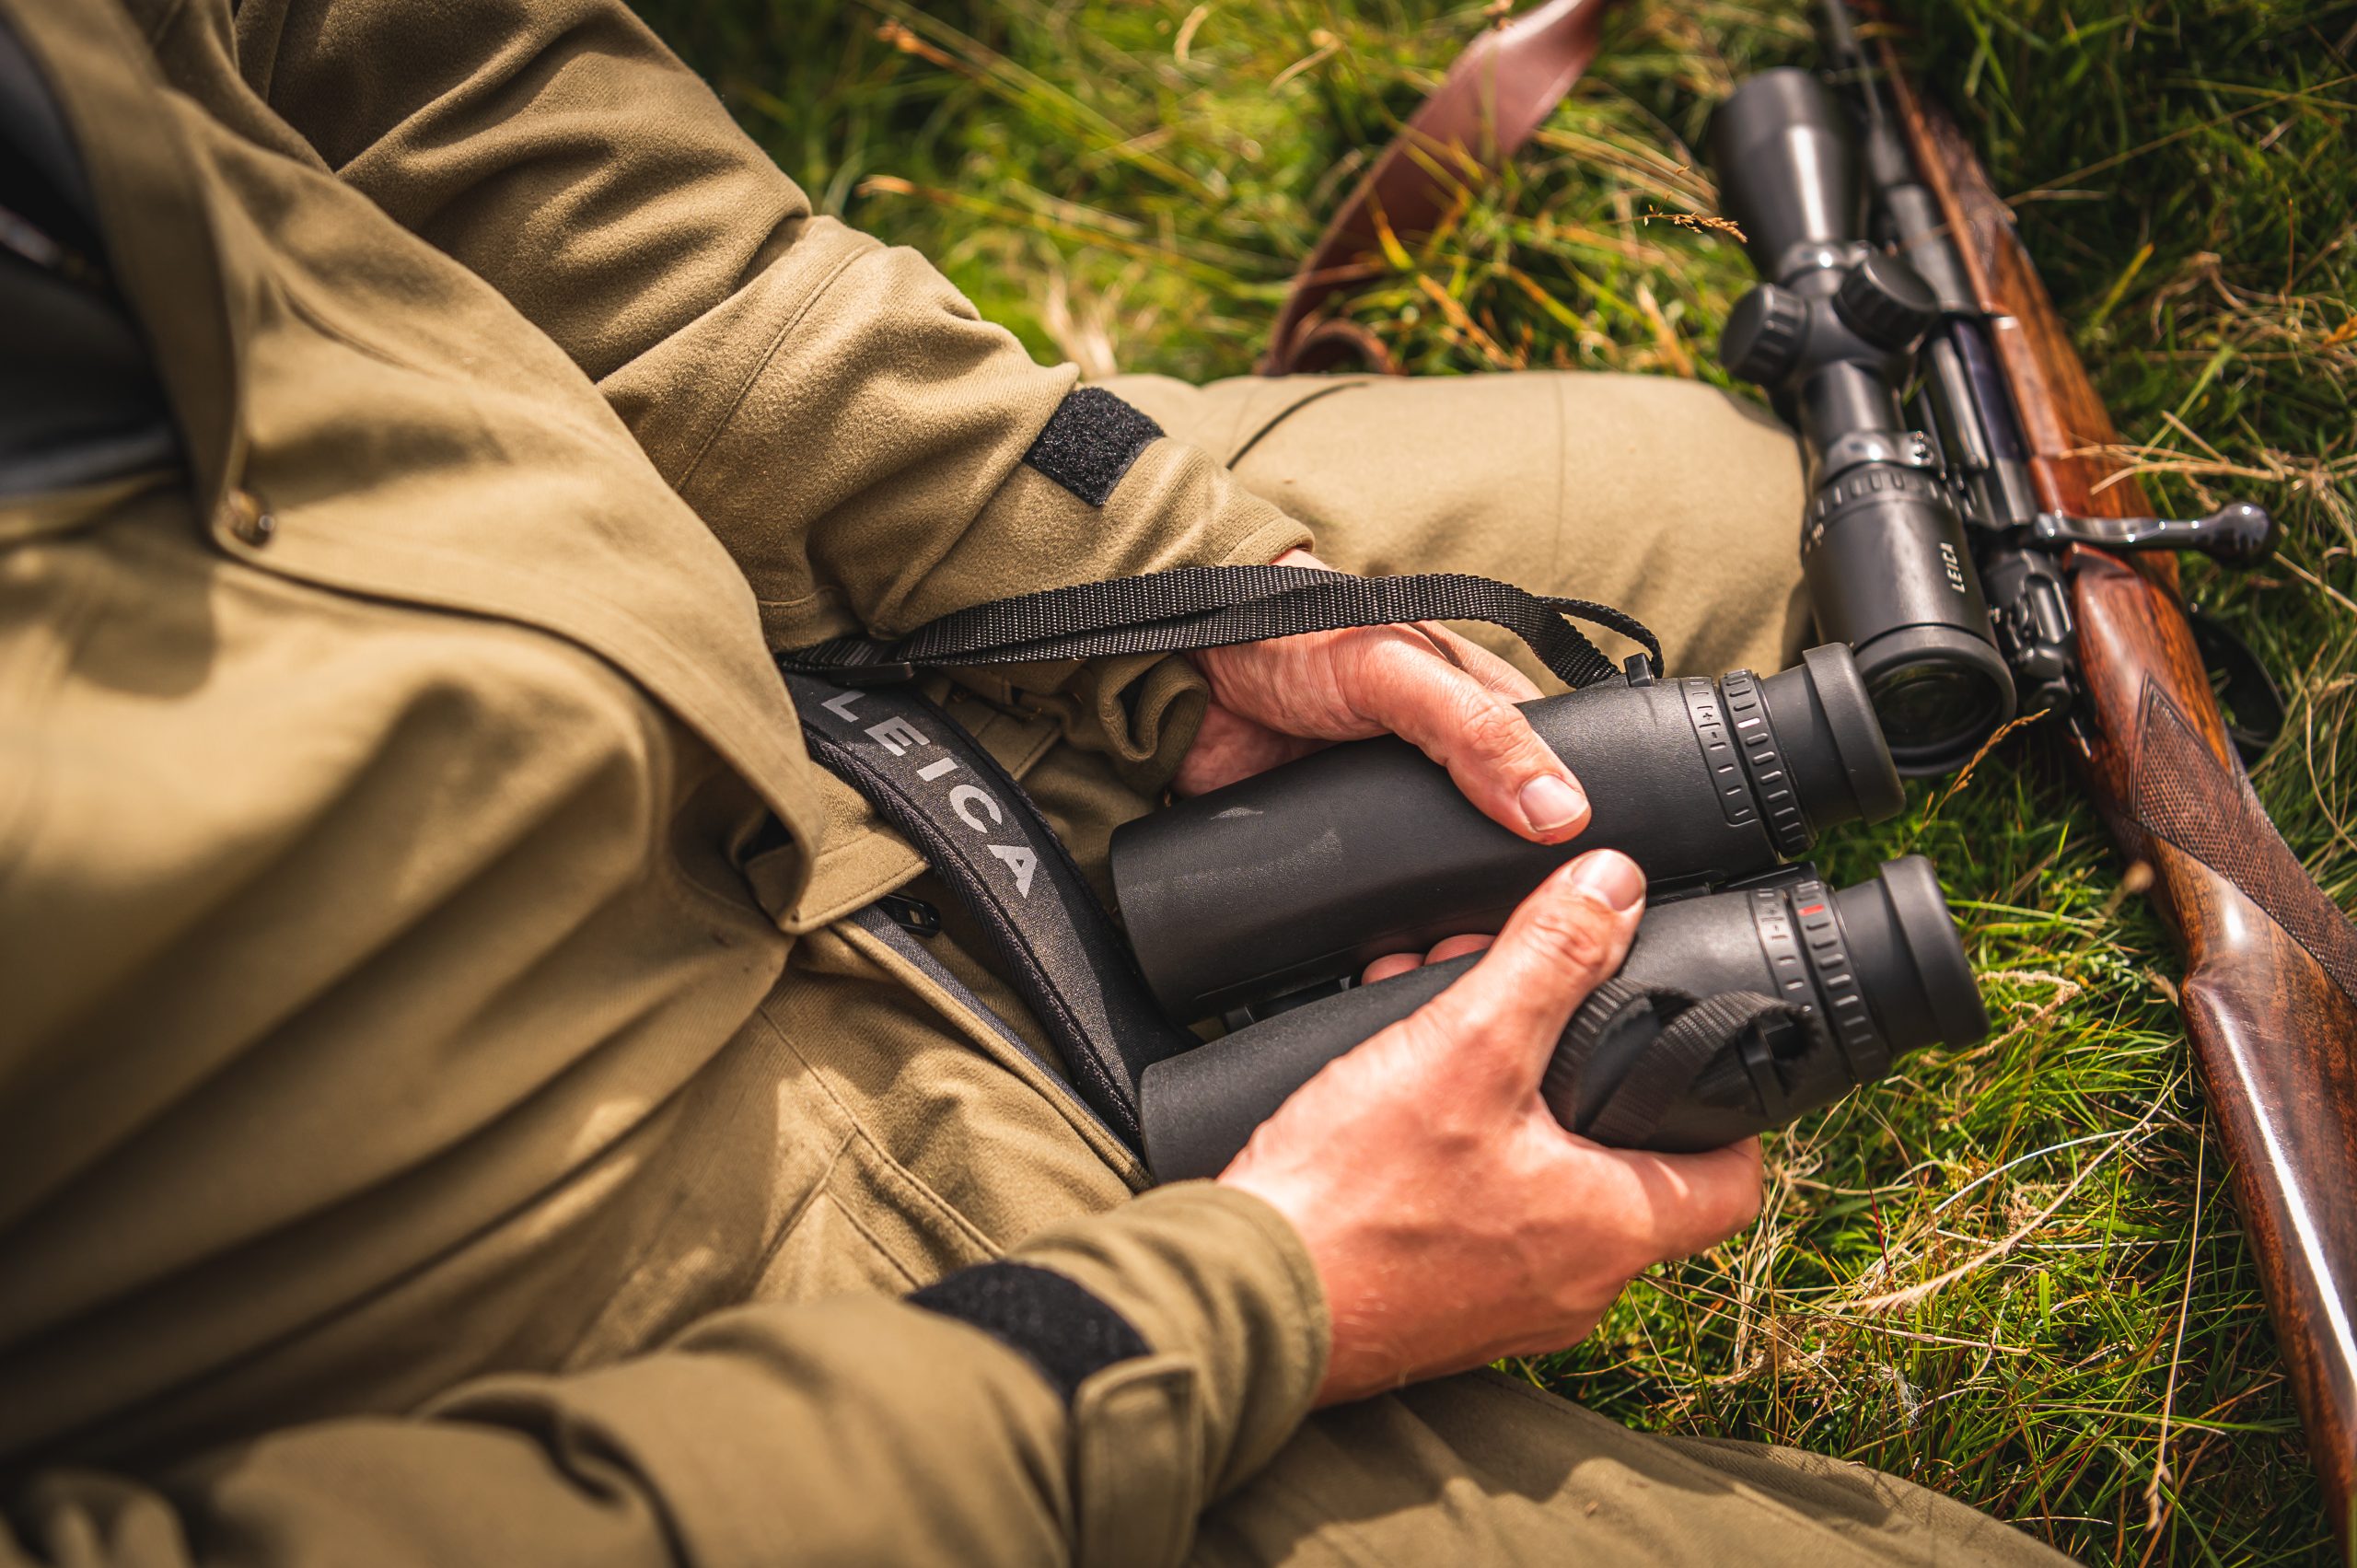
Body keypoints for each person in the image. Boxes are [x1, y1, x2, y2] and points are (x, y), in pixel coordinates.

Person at [0, 0, 2072, 1562]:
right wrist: (1235, 1304)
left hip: (789, 691)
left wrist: (1154, 595)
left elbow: (461, 99)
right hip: (591, 1321)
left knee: (1755, 521)